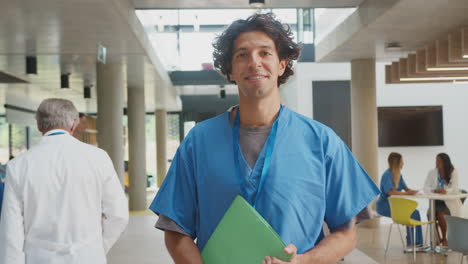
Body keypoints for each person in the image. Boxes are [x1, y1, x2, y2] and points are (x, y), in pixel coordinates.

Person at [150, 13, 380, 264]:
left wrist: (304, 261)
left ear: (282, 64)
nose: (254, 62)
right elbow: (176, 231)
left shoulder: (321, 141)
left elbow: (346, 233)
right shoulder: (198, 142)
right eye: (242, 55)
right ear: (230, 70)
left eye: (265, 53)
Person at [0, 98, 129, 264]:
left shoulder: (17, 166)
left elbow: (11, 230)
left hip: (38, 258)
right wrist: (97, 247)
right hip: (89, 256)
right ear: (73, 125)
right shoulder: (98, 158)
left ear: (39, 126)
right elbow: (118, 215)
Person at [376, 152, 423, 248]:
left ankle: (417, 242)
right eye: (402, 161)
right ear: (396, 163)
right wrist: (407, 193)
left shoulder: (398, 175)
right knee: (410, 213)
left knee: (415, 212)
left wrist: (415, 191)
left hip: (395, 206)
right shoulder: (387, 175)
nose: (403, 163)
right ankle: (412, 243)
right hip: (385, 206)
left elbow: (406, 189)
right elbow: (390, 192)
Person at [423, 153, 461, 246]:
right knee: (430, 214)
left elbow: (455, 188)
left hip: (447, 202)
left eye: (439, 161)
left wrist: (445, 191)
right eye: (436, 160)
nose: (436, 162)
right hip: (435, 201)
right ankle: (436, 238)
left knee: (440, 215)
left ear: (445, 162)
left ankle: (444, 239)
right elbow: (426, 187)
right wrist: (433, 190)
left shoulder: (453, 172)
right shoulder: (432, 172)